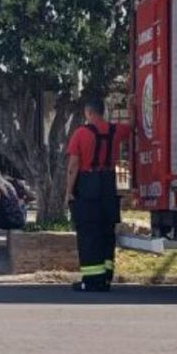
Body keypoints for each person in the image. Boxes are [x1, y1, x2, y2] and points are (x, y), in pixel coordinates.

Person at [64, 96, 131, 292]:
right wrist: (132, 105)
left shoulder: (81, 133)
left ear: (89, 113)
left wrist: (69, 191)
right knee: (106, 233)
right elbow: (133, 127)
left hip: (87, 186)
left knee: (88, 234)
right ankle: (106, 277)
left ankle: (91, 281)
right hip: (109, 185)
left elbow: (73, 166)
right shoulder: (117, 130)